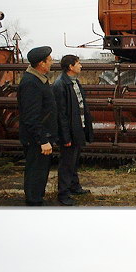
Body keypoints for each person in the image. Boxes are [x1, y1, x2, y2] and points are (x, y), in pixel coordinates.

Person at [18, 46, 58, 206]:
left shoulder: (39, 79)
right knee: (36, 171)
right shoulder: (31, 83)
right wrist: (42, 140)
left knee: (40, 171)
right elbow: (31, 117)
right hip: (36, 139)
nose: (52, 62)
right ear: (41, 63)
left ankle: (36, 199)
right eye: (49, 60)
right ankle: (34, 203)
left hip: (41, 136)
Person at [52, 54, 94, 206]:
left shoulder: (74, 82)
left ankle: (74, 186)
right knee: (67, 162)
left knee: (74, 160)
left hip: (77, 127)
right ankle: (63, 194)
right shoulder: (60, 85)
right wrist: (65, 137)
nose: (81, 66)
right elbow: (61, 114)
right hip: (69, 131)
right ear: (70, 67)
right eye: (78, 63)